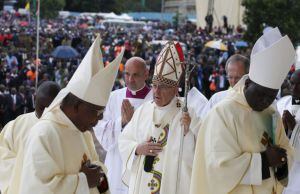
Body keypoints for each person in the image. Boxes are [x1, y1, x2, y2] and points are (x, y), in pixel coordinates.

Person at [190, 27, 295, 194]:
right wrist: (264, 161)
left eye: (270, 96)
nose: (265, 101)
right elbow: (218, 168)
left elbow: (287, 150)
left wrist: (282, 160)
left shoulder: (271, 113)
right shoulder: (223, 113)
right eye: (261, 94)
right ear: (247, 84)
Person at [19, 35, 124, 194]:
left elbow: (97, 171)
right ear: (76, 106)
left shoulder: (83, 133)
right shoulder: (44, 133)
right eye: (95, 113)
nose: (97, 121)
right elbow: (37, 187)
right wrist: (83, 181)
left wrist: (98, 176)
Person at [118, 41, 202, 194]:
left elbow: (200, 153)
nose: (156, 91)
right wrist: (137, 149)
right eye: (154, 85)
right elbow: (124, 140)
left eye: (163, 87)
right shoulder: (144, 110)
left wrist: (187, 133)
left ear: (176, 88)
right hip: (142, 182)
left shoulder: (187, 113)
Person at [94, 57, 152, 194]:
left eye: (135, 75)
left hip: (143, 164)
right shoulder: (113, 98)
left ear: (146, 74)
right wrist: (122, 122)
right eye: (127, 74)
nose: (130, 79)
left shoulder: (155, 99)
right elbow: (99, 129)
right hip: (116, 163)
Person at [0, 81, 60, 194]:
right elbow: (3, 156)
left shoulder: (66, 129)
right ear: (35, 98)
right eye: (42, 107)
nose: (46, 113)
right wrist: (29, 175)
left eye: (52, 108)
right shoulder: (16, 126)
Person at [281, 69, 300, 194]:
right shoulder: (282, 103)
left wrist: (294, 128)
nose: (294, 88)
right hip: (282, 168)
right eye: (292, 83)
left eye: (299, 84)